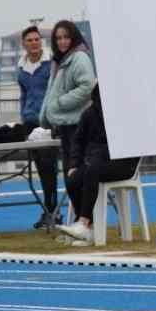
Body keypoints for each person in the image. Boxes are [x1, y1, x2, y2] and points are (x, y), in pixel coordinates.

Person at [55, 86, 140, 246]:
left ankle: (83, 223)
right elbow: (77, 141)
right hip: (96, 162)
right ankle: (89, 231)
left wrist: (96, 158)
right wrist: (74, 163)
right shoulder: (89, 114)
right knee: (73, 178)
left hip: (124, 164)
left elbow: (129, 143)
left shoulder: (126, 113)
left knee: (91, 171)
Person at [37, 19, 96, 190]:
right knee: (71, 177)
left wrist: (60, 103)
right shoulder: (59, 61)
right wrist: (46, 115)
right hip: (65, 125)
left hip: (77, 125)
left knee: (76, 176)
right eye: (58, 38)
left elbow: (87, 86)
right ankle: (81, 216)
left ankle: (85, 216)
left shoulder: (79, 58)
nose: (62, 41)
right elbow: (50, 92)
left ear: (74, 38)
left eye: (66, 37)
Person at [14, 25, 61, 228]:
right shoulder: (21, 68)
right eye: (29, 40)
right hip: (30, 123)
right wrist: (23, 114)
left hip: (48, 122)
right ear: (24, 44)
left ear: (41, 41)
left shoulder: (51, 64)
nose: (34, 43)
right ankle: (49, 211)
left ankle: (53, 212)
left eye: (36, 39)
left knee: (50, 168)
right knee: (42, 169)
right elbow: (23, 94)